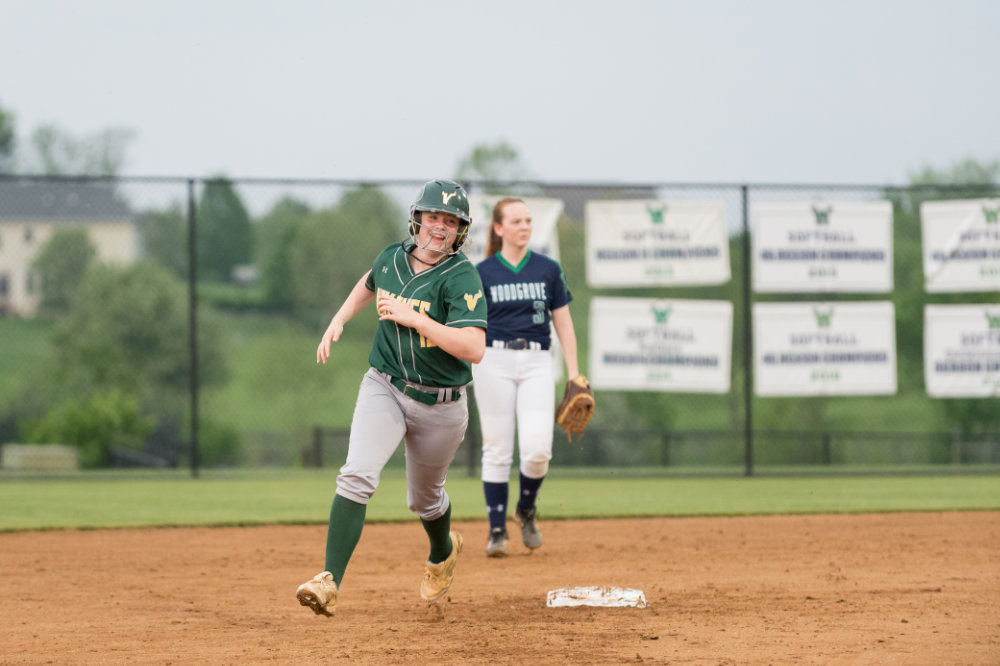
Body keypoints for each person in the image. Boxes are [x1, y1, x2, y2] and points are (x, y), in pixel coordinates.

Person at [296, 178, 487, 617]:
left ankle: (442, 550)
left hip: (440, 404)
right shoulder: (393, 258)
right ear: (417, 218)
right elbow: (369, 281)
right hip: (384, 384)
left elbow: (473, 347)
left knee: (424, 500)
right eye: (434, 216)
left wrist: (414, 319)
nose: (440, 227)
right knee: (357, 475)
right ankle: (328, 581)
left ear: (461, 230)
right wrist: (338, 320)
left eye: (450, 221)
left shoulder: (461, 277)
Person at [472, 197, 581, 557]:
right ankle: (497, 531)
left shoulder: (548, 269)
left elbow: (563, 323)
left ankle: (526, 508)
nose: (524, 226)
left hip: (537, 361)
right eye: (516, 221)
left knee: (537, 451)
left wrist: (574, 374)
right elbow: (470, 327)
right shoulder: (483, 272)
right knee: (498, 449)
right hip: (493, 359)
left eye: (528, 220)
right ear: (499, 228)